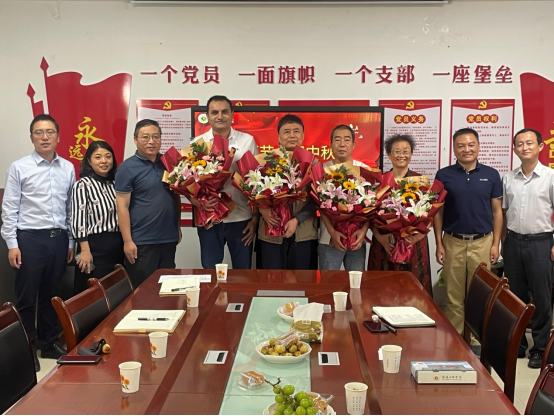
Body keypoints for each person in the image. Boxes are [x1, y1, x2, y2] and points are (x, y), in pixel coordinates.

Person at [1, 114, 74, 371]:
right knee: (26, 298)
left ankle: (49, 342)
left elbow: (70, 207)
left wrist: (70, 242)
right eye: (39, 132)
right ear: (31, 137)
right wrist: (12, 243)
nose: (45, 137)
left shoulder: (68, 168)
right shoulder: (19, 167)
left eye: (50, 132)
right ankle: (26, 348)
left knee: (51, 294)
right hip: (29, 239)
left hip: (58, 239)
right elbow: (9, 208)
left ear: (58, 136)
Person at [434, 128, 503, 336]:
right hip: (452, 241)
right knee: (453, 296)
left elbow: (497, 211)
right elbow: (438, 211)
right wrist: (439, 243)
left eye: (471, 144)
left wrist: (496, 244)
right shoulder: (443, 175)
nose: (467, 149)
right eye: (461, 145)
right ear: (454, 148)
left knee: (479, 296)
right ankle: (455, 340)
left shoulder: (491, 174)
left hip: (482, 243)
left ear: (479, 146)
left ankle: (475, 342)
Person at [502, 128, 554, 369]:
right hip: (513, 242)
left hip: (541, 243)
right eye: (520, 144)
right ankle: (518, 345)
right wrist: (503, 243)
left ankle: (540, 349)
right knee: (515, 297)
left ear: (540, 146)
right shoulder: (508, 178)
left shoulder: (550, 176)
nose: (524, 147)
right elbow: (504, 213)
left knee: (542, 297)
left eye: (529, 143)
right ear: (514, 149)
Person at [192, 96, 259, 270]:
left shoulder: (247, 141)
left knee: (243, 272)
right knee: (210, 270)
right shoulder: (197, 144)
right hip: (209, 218)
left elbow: (257, 182)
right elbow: (188, 182)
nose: (220, 116)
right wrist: (198, 203)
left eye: (224, 112)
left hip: (241, 217)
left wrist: (255, 219)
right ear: (207, 116)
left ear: (232, 114)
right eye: (214, 112)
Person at [115, 119, 181, 289]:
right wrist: (127, 241)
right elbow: (122, 207)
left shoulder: (169, 163)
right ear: (135, 139)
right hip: (142, 241)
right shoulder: (126, 168)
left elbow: (175, 197)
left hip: (168, 238)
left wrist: (177, 227)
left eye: (156, 137)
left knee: (167, 290)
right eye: (145, 137)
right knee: (143, 292)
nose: (151, 141)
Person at [368, 134, 433, 296]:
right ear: (389, 155)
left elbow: (431, 213)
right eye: (397, 151)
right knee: (383, 290)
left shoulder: (420, 181)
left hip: (413, 243)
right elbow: (369, 215)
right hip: (385, 244)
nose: (401, 155)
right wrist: (379, 237)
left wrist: (418, 237)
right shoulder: (380, 181)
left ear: (411, 154)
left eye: (405, 151)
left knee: (413, 292)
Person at [259, 115, 318, 270]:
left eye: (296, 131)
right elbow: (254, 192)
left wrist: (297, 219)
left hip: (303, 232)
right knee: (272, 278)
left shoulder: (313, 163)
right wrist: (262, 209)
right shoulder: (266, 161)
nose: (292, 135)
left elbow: (318, 200)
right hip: (272, 230)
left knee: (300, 279)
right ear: (279, 137)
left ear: (303, 135)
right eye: (287, 132)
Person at [71, 141, 124, 294]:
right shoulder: (83, 185)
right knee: (96, 293)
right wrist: (85, 250)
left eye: (108, 156)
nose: (104, 161)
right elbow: (78, 220)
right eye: (98, 157)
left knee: (116, 292)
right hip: (95, 247)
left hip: (118, 245)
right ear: (89, 161)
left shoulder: (117, 184)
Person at [319, 124, 370, 271]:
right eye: (337, 140)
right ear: (330, 144)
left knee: (356, 281)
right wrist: (332, 232)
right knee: (329, 282)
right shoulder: (321, 170)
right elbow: (319, 205)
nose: (342, 144)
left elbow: (371, 205)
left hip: (357, 238)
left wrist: (364, 231)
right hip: (329, 238)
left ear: (353, 144)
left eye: (347, 140)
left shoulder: (364, 170)